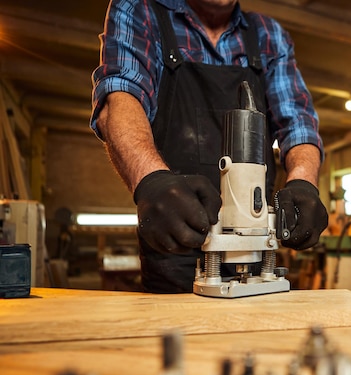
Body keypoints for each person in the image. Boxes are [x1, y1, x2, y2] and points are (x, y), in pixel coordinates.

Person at [90, 0, 328, 293]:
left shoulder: (269, 34)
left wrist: (304, 181)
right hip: (175, 238)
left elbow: (298, 122)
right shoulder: (141, 10)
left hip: (254, 248)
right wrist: (151, 180)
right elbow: (121, 97)